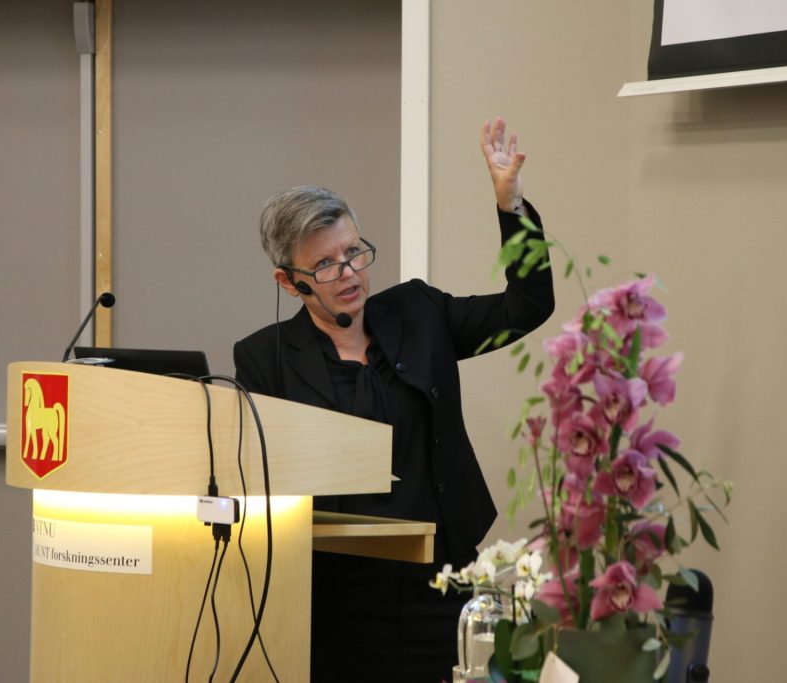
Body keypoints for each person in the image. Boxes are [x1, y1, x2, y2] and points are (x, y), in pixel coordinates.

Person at [232, 117, 554, 681]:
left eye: (355, 251)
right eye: (326, 264)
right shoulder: (266, 357)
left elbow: (527, 305)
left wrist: (513, 208)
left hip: (439, 578)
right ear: (290, 282)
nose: (350, 272)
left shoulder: (420, 313)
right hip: (332, 592)